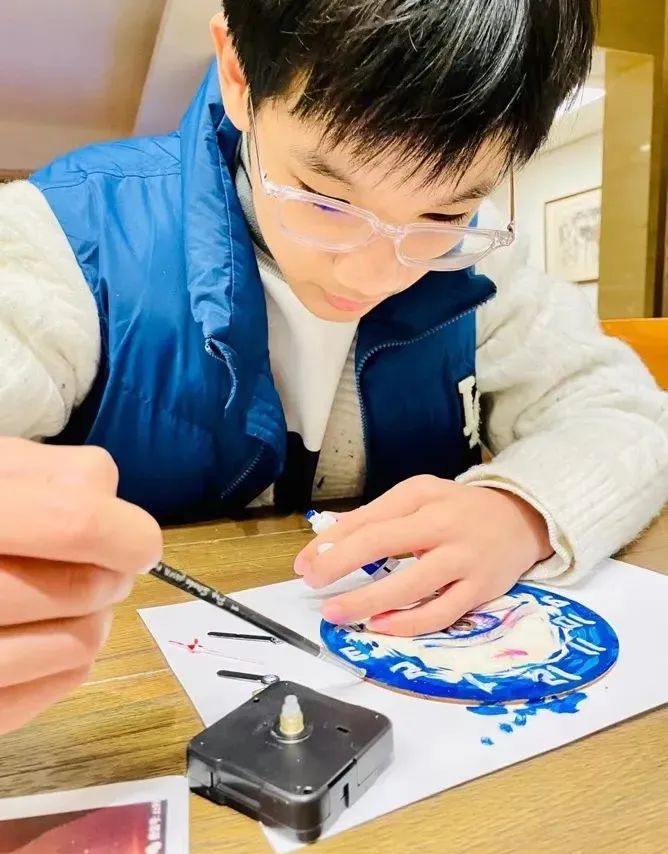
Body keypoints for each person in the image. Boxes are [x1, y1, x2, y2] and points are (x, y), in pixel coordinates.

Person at [0, 0, 666, 735]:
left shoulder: (483, 268)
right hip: (125, 719)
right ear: (238, 74)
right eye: (324, 198)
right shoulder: (66, 240)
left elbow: (625, 414)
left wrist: (521, 511)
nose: (376, 273)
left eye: (443, 214)